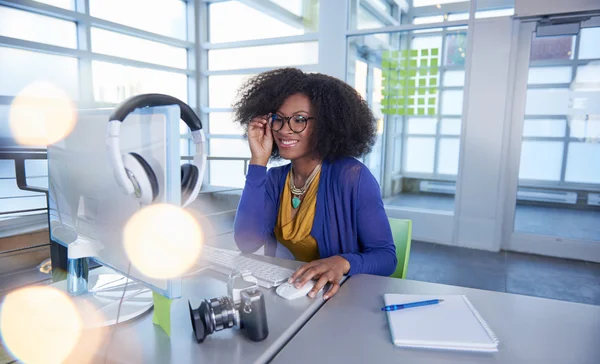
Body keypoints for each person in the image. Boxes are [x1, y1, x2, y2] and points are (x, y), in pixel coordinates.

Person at [232, 68, 397, 300]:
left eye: (299, 119)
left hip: (340, 298)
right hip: (290, 293)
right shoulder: (275, 179)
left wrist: (342, 262)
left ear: (326, 125)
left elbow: (386, 257)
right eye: (278, 119)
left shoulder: (352, 176)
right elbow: (247, 243)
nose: (284, 129)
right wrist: (258, 162)